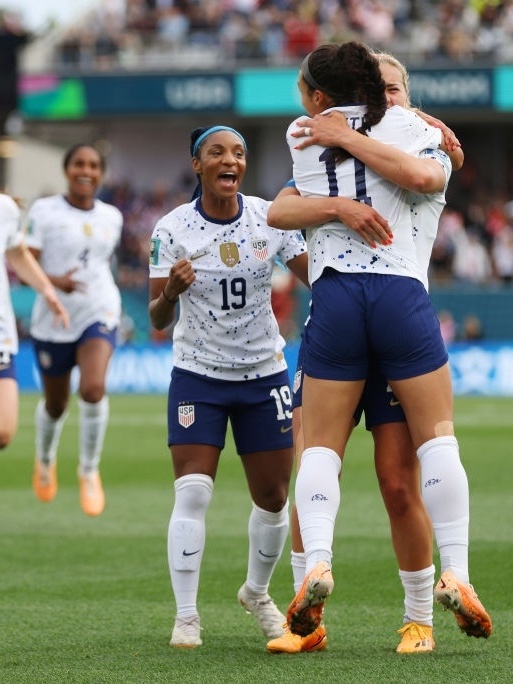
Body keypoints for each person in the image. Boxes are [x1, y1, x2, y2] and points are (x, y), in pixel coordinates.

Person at [266, 41, 491, 647]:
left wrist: (342, 132)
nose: (387, 98)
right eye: (380, 88)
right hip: (391, 304)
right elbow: (282, 207)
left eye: (397, 90)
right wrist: (342, 189)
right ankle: (439, 576)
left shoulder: (336, 131)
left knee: (393, 479)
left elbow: (414, 171)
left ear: (410, 98)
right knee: (324, 448)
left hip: (351, 301)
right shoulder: (397, 132)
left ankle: (418, 615)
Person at [148, 125, 310, 648]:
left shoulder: (270, 219)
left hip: (265, 374)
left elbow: (318, 277)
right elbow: (156, 316)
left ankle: (257, 594)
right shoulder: (171, 229)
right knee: (193, 491)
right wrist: (170, 290)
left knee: (273, 496)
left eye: (238, 152)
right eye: (216, 152)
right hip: (199, 375)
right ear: (197, 165)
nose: (229, 160)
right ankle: (187, 616)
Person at [25, 143, 124, 517]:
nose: (87, 170)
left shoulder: (112, 216)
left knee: (93, 389)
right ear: (67, 170)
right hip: (52, 317)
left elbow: (100, 263)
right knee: (56, 404)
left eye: (94, 165)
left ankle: (88, 470)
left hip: (98, 308)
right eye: (79, 163)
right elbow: (25, 266)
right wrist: (53, 283)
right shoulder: (44, 211)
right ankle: (45, 459)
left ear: (101, 173)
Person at [0, 193, 68, 449]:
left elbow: (17, 252)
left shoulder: (5, 209)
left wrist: (47, 290)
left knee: (3, 432)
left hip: (1, 336)